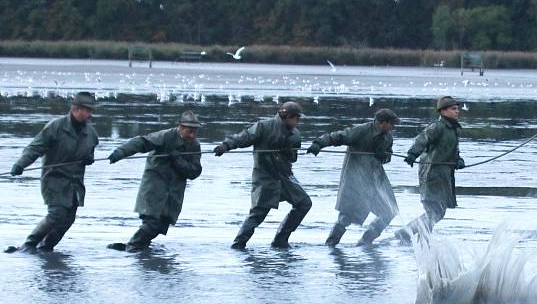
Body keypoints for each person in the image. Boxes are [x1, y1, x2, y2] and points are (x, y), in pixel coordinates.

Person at [5, 92, 99, 253]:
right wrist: (20, 164)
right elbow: (35, 148)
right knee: (57, 214)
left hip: (75, 183)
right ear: (75, 109)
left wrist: (89, 158)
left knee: (69, 219)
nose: (88, 114)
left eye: (90, 110)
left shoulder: (91, 133)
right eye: (85, 110)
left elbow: (89, 152)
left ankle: (46, 247)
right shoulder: (56, 126)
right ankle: (29, 244)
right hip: (54, 179)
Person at [214, 101, 311, 249]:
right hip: (265, 177)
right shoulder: (263, 127)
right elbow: (243, 137)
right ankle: (238, 244)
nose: (298, 122)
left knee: (304, 203)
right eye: (296, 118)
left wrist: (289, 152)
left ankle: (281, 239)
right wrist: (226, 146)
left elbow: (293, 159)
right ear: (287, 116)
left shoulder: (295, 134)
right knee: (258, 213)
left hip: (285, 177)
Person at [106, 111, 203, 252]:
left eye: (195, 132)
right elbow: (142, 142)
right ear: (180, 127)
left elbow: (194, 172)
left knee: (161, 225)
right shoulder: (165, 136)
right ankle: (132, 248)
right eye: (189, 131)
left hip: (173, 193)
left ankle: (134, 246)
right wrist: (121, 152)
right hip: (154, 188)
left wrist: (178, 160)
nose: (192, 135)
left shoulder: (195, 146)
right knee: (152, 223)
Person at [306, 109, 400, 247]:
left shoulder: (388, 137)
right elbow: (339, 137)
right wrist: (319, 143)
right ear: (382, 123)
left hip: (377, 182)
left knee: (389, 212)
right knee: (346, 216)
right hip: (356, 181)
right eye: (391, 124)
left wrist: (384, 156)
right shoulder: (361, 130)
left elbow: (388, 157)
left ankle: (365, 242)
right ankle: (330, 244)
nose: (393, 127)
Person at [395, 96, 465, 243]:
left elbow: (452, 149)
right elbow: (421, 139)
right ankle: (413, 237)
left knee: (437, 212)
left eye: (457, 108)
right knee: (435, 211)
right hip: (431, 174)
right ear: (443, 111)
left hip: (444, 175)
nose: (457, 111)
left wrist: (458, 160)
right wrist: (412, 154)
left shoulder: (453, 129)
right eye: (454, 109)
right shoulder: (437, 127)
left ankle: (415, 238)